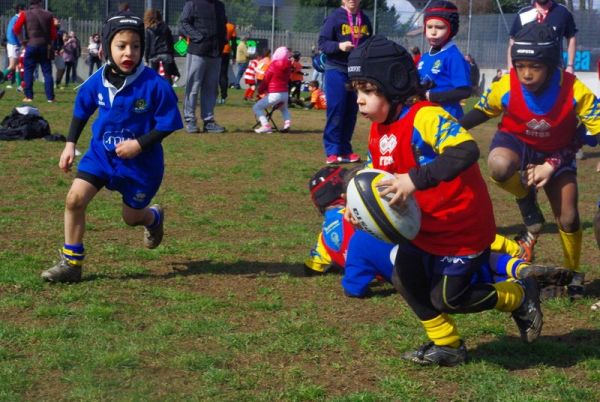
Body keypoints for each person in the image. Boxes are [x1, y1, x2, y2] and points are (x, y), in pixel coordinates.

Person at [346, 35, 544, 367]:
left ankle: (520, 295)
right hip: (424, 226)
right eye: (357, 93)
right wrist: (359, 209)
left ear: (393, 84)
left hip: (460, 225)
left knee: (449, 297)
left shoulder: (426, 117)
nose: (360, 102)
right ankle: (447, 345)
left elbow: (466, 151)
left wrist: (413, 180)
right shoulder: (379, 128)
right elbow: (377, 175)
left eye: (368, 91)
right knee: (404, 278)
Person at [40, 12, 183, 283]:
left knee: (130, 217)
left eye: (136, 46)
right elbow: (82, 110)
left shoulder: (155, 85)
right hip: (101, 156)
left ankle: (152, 217)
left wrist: (139, 145)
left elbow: (169, 123)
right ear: (107, 48)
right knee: (74, 200)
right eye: (121, 46)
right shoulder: (98, 79)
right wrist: (69, 145)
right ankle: (71, 263)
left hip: (141, 166)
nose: (129, 52)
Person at [460, 23, 600, 299]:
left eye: (534, 66)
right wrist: (446, 129)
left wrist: (553, 164)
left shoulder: (574, 90)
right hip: (517, 145)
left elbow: (594, 129)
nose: (525, 73)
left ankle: (571, 275)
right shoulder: (505, 84)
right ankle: (527, 201)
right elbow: (481, 111)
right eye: (520, 65)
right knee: (498, 165)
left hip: (558, 153)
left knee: (569, 217)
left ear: (550, 64)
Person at [306, 166, 573, 298]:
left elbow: (319, 265)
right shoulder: (372, 221)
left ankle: (522, 282)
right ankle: (518, 266)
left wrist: (328, 265)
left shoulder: (326, 238)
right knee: (468, 252)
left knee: (472, 276)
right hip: (424, 252)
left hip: (410, 271)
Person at [318, 0, 372, 165]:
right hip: (336, 68)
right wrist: (339, 46)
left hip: (356, 71)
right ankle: (332, 150)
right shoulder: (334, 18)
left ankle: (345, 150)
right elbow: (323, 43)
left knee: (351, 110)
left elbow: (370, 42)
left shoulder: (365, 20)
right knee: (337, 109)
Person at [179, 0, 227, 134]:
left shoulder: (220, 6)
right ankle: (190, 120)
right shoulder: (192, 4)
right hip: (197, 52)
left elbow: (223, 25)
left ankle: (209, 121)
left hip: (216, 53)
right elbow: (183, 23)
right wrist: (198, 37)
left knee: (211, 89)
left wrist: (223, 42)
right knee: (193, 87)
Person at [417, 0, 471, 119]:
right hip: (427, 117)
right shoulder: (424, 57)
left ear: (451, 29)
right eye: (429, 27)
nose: (433, 32)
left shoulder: (453, 56)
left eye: (440, 27)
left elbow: (464, 91)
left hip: (447, 118)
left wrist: (432, 96)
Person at [508, 0, 577, 74]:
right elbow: (512, 42)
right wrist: (511, 68)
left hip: (555, 69)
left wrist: (570, 65)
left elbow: (571, 38)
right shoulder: (523, 13)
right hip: (528, 70)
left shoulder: (562, 12)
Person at [13, 0, 57, 102]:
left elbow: (16, 29)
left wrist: (22, 41)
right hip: (44, 46)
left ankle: (29, 96)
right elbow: (54, 34)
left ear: (30, 3)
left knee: (28, 71)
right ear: (40, 3)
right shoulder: (49, 15)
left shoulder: (25, 14)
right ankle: (50, 98)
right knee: (47, 72)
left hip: (31, 45)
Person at [252, 46, 292, 134]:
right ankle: (287, 124)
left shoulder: (273, 65)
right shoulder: (289, 65)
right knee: (284, 109)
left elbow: (266, 78)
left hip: (274, 93)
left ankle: (265, 125)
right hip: (285, 93)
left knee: (257, 107)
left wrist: (260, 90)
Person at [144, 9, 179, 85]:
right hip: (166, 53)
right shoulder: (166, 28)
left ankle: (154, 92)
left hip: (154, 55)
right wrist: (172, 55)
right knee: (168, 76)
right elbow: (170, 42)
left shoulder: (148, 29)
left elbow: (147, 45)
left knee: (153, 76)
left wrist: (146, 58)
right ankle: (168, 91)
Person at [2, 4, 26, 90]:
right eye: (24, 9)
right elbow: (15, 32)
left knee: (16, 66)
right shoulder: (17, 19)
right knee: (12, 66)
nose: (25, 11)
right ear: (20, 10)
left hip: (13, 44)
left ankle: (19, 86)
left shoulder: (14, 18)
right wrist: (20, 42)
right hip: (13, 44)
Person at [218, 21, 236, 104]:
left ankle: (213, 95)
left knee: (213, 74)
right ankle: (223, 97)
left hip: (215, 50)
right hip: (226, 50)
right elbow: (234, 42)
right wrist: (234, 55)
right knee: (223, 74)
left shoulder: (215, 22)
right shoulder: (231, 26)